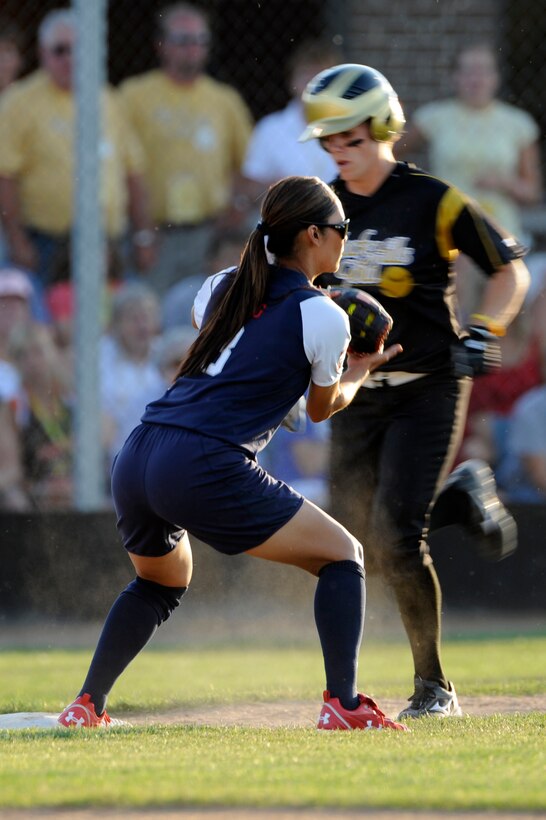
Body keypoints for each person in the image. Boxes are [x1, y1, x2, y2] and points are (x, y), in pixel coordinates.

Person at [57, 175, 407, 732]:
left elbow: (237, 351)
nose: (346, 238)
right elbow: (321, 408)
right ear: (312, 234)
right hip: (202, 461)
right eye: (341, 228)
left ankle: (86, 705)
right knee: (343, 557)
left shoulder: (222, 285)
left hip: (141, 451)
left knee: (160, 583)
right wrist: (359, 371)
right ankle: (341, 704)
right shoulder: (323, 318)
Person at [299, 64, 531, 719]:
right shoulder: (320, 207)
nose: (338, 150)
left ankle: (435, 687)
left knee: (399, 540)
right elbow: (284, 278)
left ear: (382, 126)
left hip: (429, 385)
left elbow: (509, 270)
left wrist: (488, 327)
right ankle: (459, 497)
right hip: (356, 390)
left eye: (349, 135)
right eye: (329, 140)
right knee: (351, 544)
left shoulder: (434, 199)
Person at [0, 8, 154, 287]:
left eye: (78, 48)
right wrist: (17, 240)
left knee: (116, 320)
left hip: (109, 243)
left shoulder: (108, 99)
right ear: (42, 52)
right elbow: (5, 177)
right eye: (60, 50)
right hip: (47, 243)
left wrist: (143, 235)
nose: (70, 58)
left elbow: (134, 173)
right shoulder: (18, 103)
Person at [396, 42, 542, 320]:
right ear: (454, 77)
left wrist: (505, 182)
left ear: (496, 77)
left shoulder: (518, 123)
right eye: (468, 71)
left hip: (502, 228)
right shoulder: (434, 117)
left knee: (504, 285)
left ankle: (485, 345)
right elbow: (386, 155)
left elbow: (532, 190)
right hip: (447, 230)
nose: (476, 78)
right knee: (458, 268)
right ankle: (460, 343)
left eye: (484, 70)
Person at [119, 3, 253, 296]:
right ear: (161, 45)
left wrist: (237, 207)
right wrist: (142, 234)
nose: (192, 48)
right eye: (182, 40)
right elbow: (122, 168)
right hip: (154, 236)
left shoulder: (225, 100)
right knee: (151, 314)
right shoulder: (133, 96)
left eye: (200, 40)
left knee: (207, 314)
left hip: (209, 235)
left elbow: (245, 166)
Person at [231, 39, 341, 226]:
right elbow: (249, 188)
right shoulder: (270, 129)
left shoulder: (350, 129)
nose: (314, 84)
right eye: (307, 75)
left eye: (323, 76)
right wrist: (280, 190)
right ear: (292, 82)